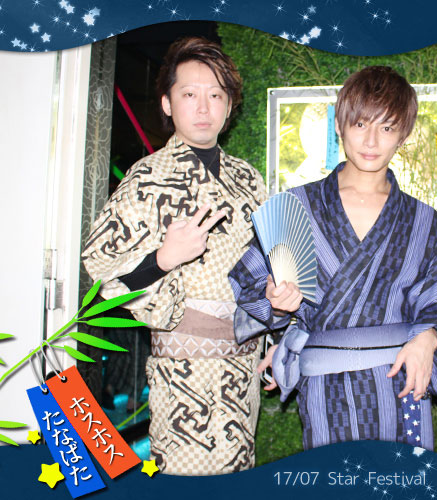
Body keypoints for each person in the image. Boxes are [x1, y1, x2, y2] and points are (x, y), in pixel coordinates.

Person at [230, 66, 437, 450]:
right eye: (360, 124)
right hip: (326, 392)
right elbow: (250, 285)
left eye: (387, 128)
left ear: (404, 135)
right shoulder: (296, 207)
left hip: (400, 385)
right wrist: (274, 302)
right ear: (339, 126)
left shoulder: (423, 221)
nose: (371, 141)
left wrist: (430, 337)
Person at [82, 36, 267, 475]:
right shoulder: (146, 178)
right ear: (167, 103)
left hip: (244, 371)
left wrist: (277, 340)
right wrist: (163, 258)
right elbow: (100, 271)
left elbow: (269, 266)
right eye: (189, 94)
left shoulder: (248, 179)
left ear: (229, 105)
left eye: (216, 95)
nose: (204, 108)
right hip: (184, 375)